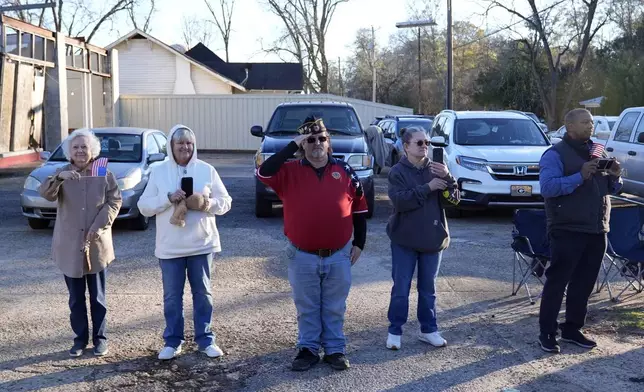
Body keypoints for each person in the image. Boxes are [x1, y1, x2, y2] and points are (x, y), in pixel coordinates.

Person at [256, 117, 368, 371]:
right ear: (302, 145)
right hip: (302, 254)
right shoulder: (288, 171)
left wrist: (359, 243)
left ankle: (335, 350)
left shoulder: (345, 170)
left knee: (335, 306)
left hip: (338, 254)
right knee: (307, 306)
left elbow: (360, 208)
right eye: (310, 140)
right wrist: (290, 146)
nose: (317, 143)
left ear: (329, 143)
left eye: (321, 139)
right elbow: (263, 172)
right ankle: (307, 349)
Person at [137, 125, 232, 360]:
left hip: (202, 244)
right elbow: (143, 206)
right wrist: (168, 199)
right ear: (171, 146)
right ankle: (172, 341)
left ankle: (206, 339)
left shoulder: (206, 170)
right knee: (172, 297)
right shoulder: (159, 172)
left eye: (189, 143)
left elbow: (226, 202)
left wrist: (207, 204)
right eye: (180, 143)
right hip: (170, 247)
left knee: (203, 294)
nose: (185, 147)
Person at [538, 108, 623, 353]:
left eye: (592, 122)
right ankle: (547, 332)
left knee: (584, 283)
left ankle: (572, 329)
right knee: (557, 282)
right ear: (570, 127)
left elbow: (609, 189)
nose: (591, 126)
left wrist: (615, 177)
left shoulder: (597, 151)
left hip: (597, 228)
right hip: (567, 227)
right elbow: (548, 188)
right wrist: (579, 175)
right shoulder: (554, 155)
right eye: (585, 122)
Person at [39, 129, 122, 357]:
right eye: (75, 147)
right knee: (76, 298)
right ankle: (79, 340)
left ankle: (100, 339)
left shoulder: (102, 172)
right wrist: (58, 179)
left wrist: (98, 226)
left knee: (97, 297)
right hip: (69, 246)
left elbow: (114, 201)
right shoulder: (62, 172)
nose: (80, 151)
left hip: (95, 244)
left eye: (84, 147)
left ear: (92, 150)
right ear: (69, 152)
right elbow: (45, 194)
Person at [385, 127, 458, 351]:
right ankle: (395, 330)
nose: (424, 146)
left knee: (428, 289)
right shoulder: (397, 172)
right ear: (406, 146)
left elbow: (453, 200)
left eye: (427, 142)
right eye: (419, 143)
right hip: (404, 239)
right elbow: (400, 202)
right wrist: (427, 188)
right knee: (401, 288)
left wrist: (447, 177)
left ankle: (429, 329)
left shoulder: (437, 169)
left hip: (432, 239)